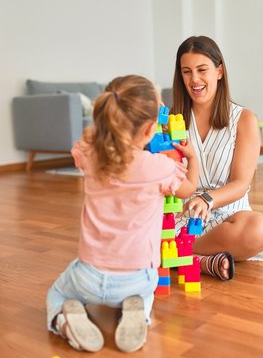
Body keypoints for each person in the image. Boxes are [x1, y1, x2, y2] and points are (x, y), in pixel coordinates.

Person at [46, 75, 198, 353]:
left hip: (89, 276)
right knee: (146, 292)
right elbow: (188, 190)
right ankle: (139, 314)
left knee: (57, 293)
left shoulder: (92, 156)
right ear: (151, 128)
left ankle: (65, 320)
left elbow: (82, 145)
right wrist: (193, 156)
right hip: (139, 278)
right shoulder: (158, 167)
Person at [171, 36, 263, 282]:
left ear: (219, 71)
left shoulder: (245, 119)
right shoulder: (172, 122)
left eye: (202, 70)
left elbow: (241, 184)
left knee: (262, 228)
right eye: (186, 72)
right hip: (182, 219)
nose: (194, 80)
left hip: (229, 220)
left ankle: (177, 254)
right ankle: (201, 262)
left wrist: (207, 199)